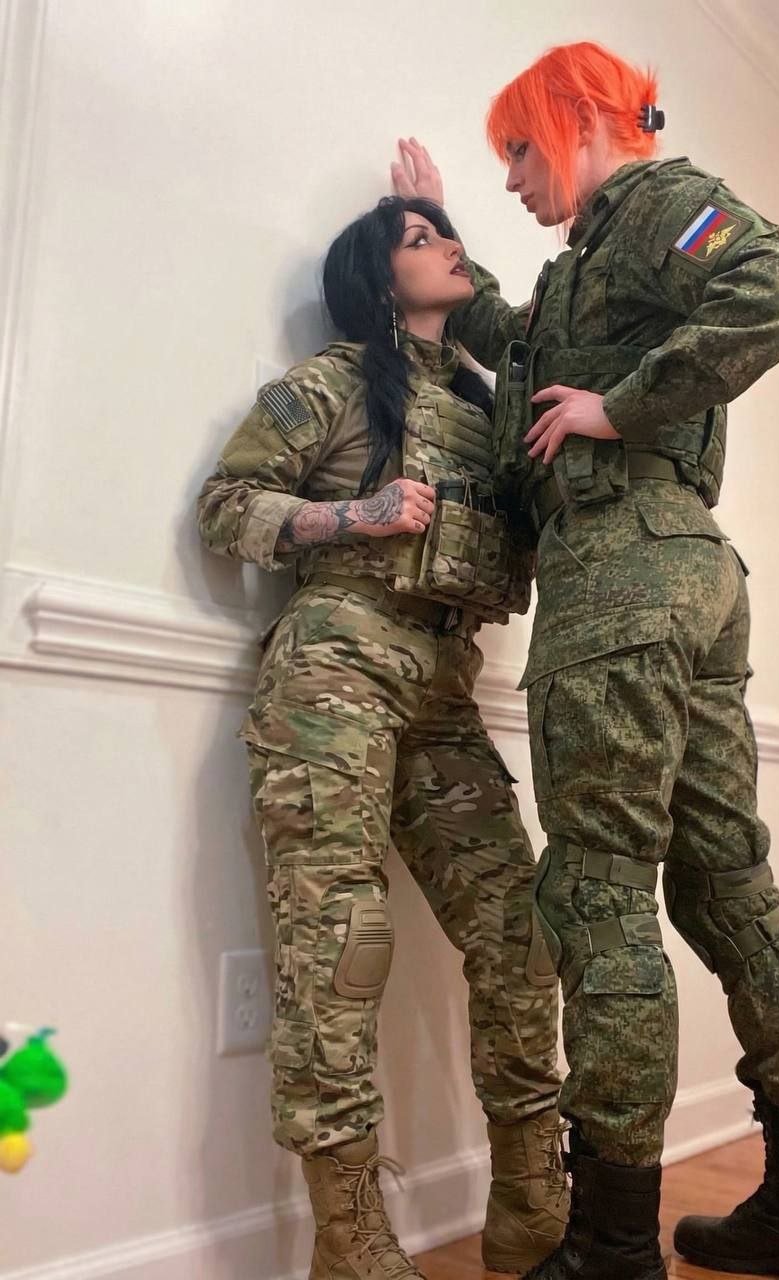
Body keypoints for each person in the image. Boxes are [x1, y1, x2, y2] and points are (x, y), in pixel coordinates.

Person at [391, 40, 779, 1280]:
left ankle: (610, 1244)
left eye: (517, 150)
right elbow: (520, 335)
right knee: (722, 883)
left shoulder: (660, 201)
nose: (511, 179)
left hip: (622, 572)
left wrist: (621, 405)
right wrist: (438, 232)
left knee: (599, 891)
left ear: (579, 119)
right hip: (690, 575)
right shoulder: (591, 260)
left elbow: (777, 291)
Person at [196, 195, 568, 1280]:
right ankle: (349, 1238)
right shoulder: (335, 381)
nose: (447, 245)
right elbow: (225, 505)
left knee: (519, 933)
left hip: (447, 686)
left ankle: (532, 1203)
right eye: (419, 238)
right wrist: (350, 515)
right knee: (340, 944)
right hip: (335, 670)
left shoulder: (487, 404)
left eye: (446, 232)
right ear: (374, 275)